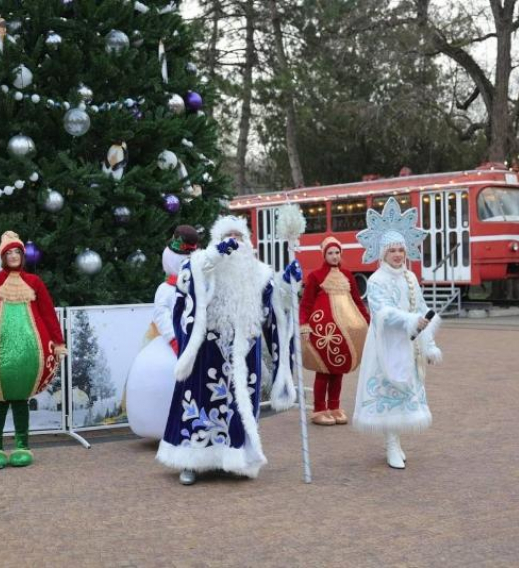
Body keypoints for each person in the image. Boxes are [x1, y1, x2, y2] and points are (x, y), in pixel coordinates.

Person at [156, 216, 297, 485]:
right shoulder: (201, 265)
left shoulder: (261, 275)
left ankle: (235, 459)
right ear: (217, 241)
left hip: (244, 355)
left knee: (238, 408)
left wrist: (289, 285)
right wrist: (214, 257)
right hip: (206, 355)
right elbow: (186, 287)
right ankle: (191, 462)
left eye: (239, 237)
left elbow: (275, 311)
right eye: (227, 237)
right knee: (199, 403)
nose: (234, 242)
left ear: (248, 242)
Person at [0, 231, 66, 469]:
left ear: (22, 256)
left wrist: (58, 343)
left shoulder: (34, 283)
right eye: (9, 253)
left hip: (28, 359)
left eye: (18, 252)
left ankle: (22, 446)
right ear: (3, 256)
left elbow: (48, 314)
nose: (14, 256)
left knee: (19, 401)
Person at [353, 197, 442, 469]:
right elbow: (383, 313)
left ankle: (397, 442)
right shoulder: (378, 280)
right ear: (383, 253)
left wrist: (428, 341)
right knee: (389, 390)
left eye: (400, 250)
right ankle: (391, 444)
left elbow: (422, 307)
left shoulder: (410, 277)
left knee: (405, 393)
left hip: (409, 344)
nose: (397, 255)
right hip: (385, 345)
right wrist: (410, 321)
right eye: (392, 250)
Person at [125, 225, 200, 439]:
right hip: (171, 342)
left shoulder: (197, 288)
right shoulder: (165, 290)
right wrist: (174, 340)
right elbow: (162, 315)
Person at [300, 236, 369, 426]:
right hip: (322, 333)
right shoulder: (315, 276)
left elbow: (357, 301)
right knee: (323, 371)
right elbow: (306, 304)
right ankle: (319, 409)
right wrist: (304, 324)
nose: (334, 256)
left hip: (343, 335)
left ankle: (334, 407)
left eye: (337, 252)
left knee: (338, 372)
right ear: (324, 255)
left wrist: (368, 321)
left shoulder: (347, 275)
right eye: (330, 253)